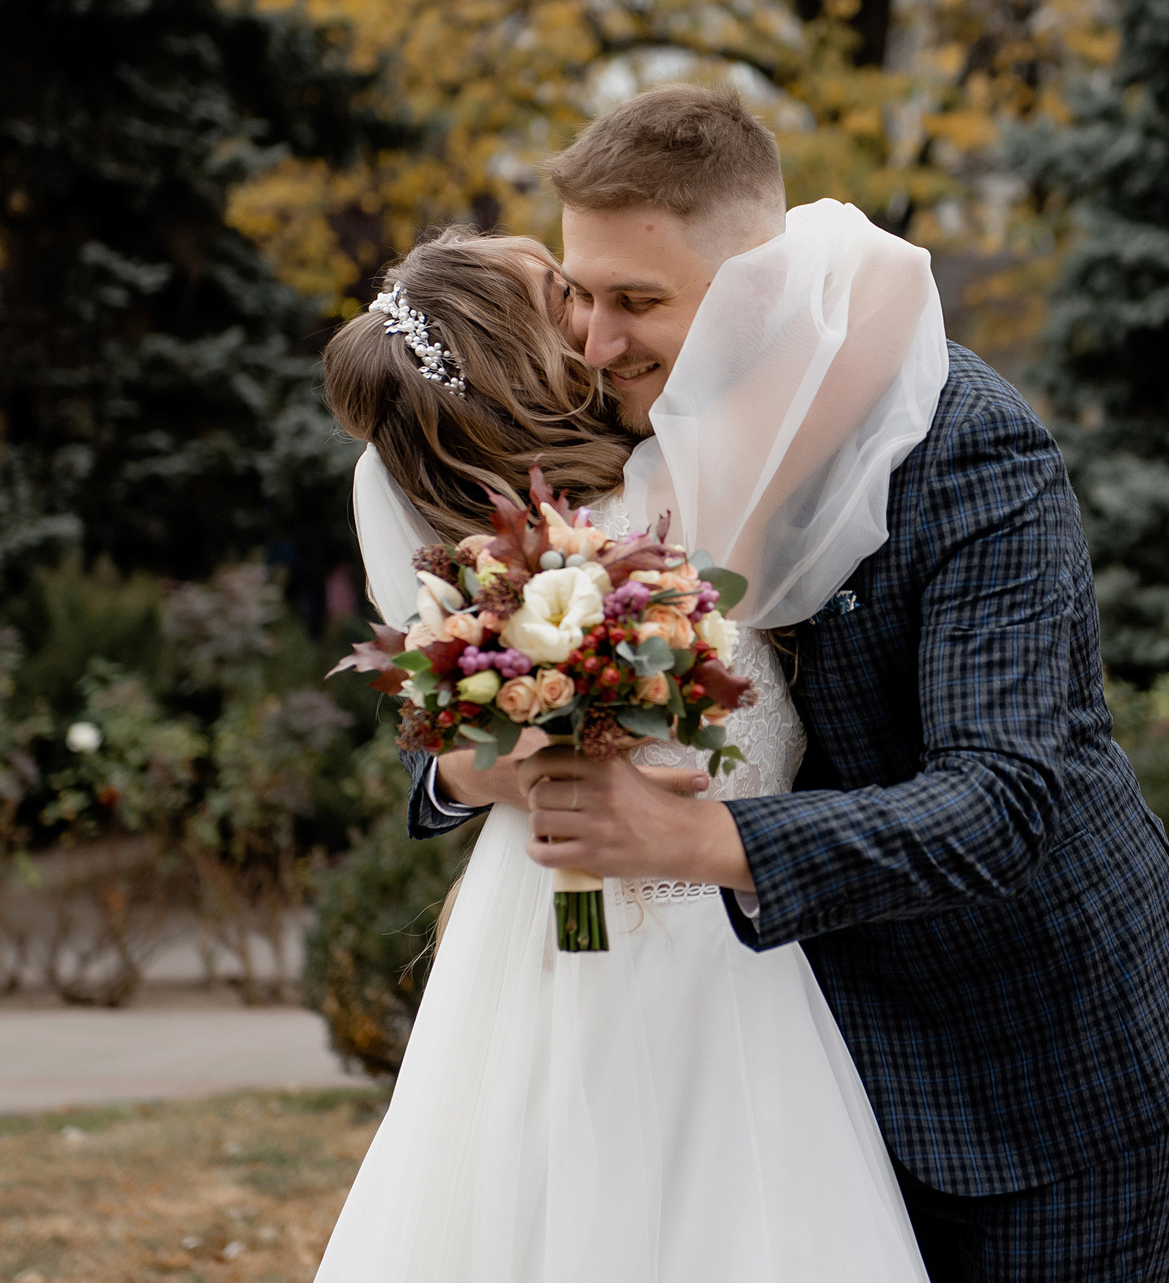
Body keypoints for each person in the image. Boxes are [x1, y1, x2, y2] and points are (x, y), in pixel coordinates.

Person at [430, 86, 1169, 1281]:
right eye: (581, 295)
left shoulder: (964, 442)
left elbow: (1003, 795)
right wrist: (468, 758)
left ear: (753, 283)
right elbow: (475, 649)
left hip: (1048, 1066)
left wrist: (692, 836)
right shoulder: (616, 420)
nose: (596, 343)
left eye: (638, 301)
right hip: (788, 1079)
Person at [313, 224, 933, 1283]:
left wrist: (476, 759)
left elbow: (456, 734)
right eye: (568, 292)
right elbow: (889, 269)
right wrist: (708, 246)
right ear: (532, 353)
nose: (603, 316)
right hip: (706, 948)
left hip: (527, 929)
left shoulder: (464, 547)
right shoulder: (684, 489)